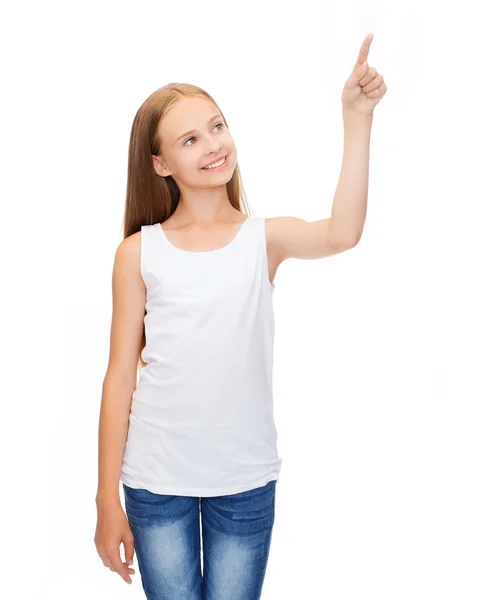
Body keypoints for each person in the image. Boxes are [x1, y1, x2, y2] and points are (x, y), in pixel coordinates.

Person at [94, 34, 386, 600]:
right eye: (190, 138)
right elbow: (119, 379)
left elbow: (342, 232)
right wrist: (107, 498)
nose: (213, 144)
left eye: (218, 126)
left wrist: (357, 118)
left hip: (244, 479)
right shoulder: (138, 252)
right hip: (156, 480)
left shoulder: (262, 239)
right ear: (160, 164)